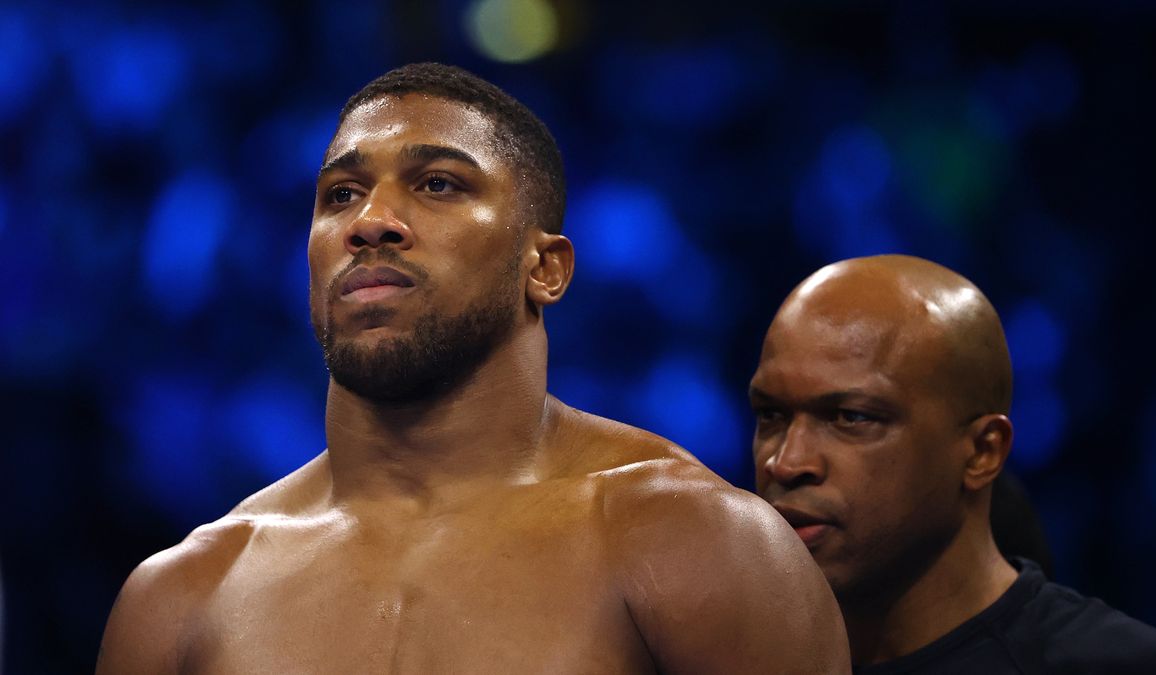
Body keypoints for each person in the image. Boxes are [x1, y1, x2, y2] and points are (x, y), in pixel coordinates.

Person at [96, 63, 850, 673]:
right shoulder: (185, 595)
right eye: (341, 195)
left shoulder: (694, 543)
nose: (369, 222)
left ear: (545, 268)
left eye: (438, 184)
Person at [748, 254, 1156, 673]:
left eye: (852, 417)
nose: (786, 463)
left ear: (983, 452)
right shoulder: (713, 656)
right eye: (771, 415)